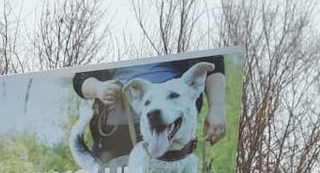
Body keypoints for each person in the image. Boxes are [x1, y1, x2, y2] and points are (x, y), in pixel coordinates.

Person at [72, 53, 227, 164]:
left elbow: (212, 60)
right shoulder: (107, 49)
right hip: (114, 134)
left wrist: (217, 107)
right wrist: (98, 88)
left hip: (173, 127)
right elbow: (81, 79)